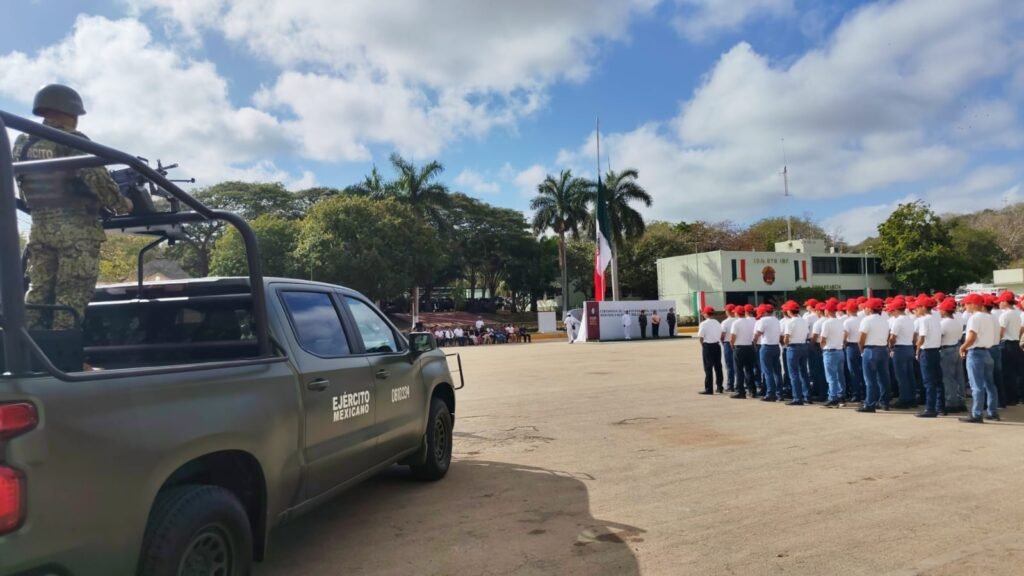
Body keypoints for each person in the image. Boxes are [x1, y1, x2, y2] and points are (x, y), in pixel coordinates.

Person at [13, 84, 134, 331]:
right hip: (76, 232)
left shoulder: (23, 143)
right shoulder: (72, 141)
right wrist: (124, 204)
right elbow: (98, 182)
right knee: (72, 295)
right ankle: (64, 358)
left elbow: (25, 186)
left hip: (40, 228)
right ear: (70, 111)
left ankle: (26, 354)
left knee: (37, 294)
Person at [960, 293, 998, 423]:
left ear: (974, 304)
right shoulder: (989, 317)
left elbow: (972, 337)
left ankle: (976, 414)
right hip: (987, 351)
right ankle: (992, 411)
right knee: (989, 384)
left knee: (976, 386)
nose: (965, 306)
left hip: (975, 352)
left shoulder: (974, 318)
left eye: (967, 303)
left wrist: (963, 347)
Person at [858, 298, 892, 413]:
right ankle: (884, 402)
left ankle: (870, 403)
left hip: (870, 349)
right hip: (883, 349)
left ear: (870, 308)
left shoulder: (866, 320)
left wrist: (862, 350)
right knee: (884, 377)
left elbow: (861, 338)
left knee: (870, 379)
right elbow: (888, 336)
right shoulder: (885, 321)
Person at [914, 297, 944, 417]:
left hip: (927, 351)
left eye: (917, 307)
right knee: (937, 380)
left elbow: (921, 337)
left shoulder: (924, 320)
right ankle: (940, 407)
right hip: (935, 350)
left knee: (928, 381)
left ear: (923, 308)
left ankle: (930, 408)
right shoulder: (935, 318)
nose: (916, 310)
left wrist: (917, 351)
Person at [887, 298, 917, 409]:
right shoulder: (909, 319)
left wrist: (891, 347)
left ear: (895, 310)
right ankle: (912, 398)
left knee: (901, 376)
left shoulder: (897, 321)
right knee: (910, 375)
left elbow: (892, 337)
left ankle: (904, 399)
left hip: (900, 349)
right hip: (909, 347)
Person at [938, 298, 966, 413]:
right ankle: (961, 401)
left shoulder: (943, 323)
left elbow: (940, 337)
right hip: (956, 347)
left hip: (946, 349)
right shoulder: (957, 322)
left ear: (944, 311)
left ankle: (951, 403)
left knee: (948, 378)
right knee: (959, 376)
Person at [782, 300, 810, 405]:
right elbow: (807, 334)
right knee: (804, 372)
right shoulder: (803, 320)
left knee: (793, 374)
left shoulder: (790, 322)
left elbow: (786, 338)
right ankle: (807, 395)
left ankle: (797, 397)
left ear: (789, 311)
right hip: (803, 346)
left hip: (793, 347)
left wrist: (786, 343)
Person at [819, 301, 847, 407]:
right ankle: (841, 396)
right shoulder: (840, 321)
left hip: (830, 351)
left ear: (828, 311)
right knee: (840, 376)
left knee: (831, 377)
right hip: (839, 350)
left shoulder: (827, 323)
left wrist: (823, 348)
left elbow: (822, 339)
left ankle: (833, 397)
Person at [997, 291, 1022, 406]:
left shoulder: (1005, 315)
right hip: (1015, 343)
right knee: (1015, 372)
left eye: (1001, 301)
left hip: (1006, 344)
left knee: (1006, 373)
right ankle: (1016, 397)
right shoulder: (1017, 313)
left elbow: (1000, 333)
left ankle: (1009, 398)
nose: (999, 304)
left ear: (1005, 302)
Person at [754, 303, 782, 402]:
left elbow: (758, 333)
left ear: (764, 312)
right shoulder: (776, 320)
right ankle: (779, 393)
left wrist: (754, 342)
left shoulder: (763, 320)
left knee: (767, 372)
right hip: (775, 346)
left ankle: (771, 393)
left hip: (766, 347)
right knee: (777, 371)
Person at [730, 305, 757, 399]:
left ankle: (740, 391)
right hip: (750, 347)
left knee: (739, 370)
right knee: (749, 370)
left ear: (737, 313)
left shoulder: (736, 323)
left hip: (740, 348)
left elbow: (732, 336)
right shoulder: (751, 322)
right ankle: (752, 390)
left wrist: (732, 345)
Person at [697, 307, 724, 394]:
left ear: (705, 314)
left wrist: (703, 346)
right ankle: (719, 387)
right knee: (718, 367)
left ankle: (709, 389)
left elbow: (701, 338)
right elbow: (720, 335)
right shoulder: (717, 322)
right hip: (717, 345)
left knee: (708, 368)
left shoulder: (704, 324)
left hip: (708, 346)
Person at [843, 300, 865, 403]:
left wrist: (844, 344)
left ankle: (856, 394)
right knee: (862, 370)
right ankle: (864, 392)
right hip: (862, 345)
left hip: (851, 346)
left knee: (853, 371)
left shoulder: (847, 321)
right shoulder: (862, 319)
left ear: (848, 310)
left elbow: (845, 336)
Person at [721, 304, 737, 392]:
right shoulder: (738, 320)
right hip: (738, 344)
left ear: (728, 311)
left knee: (729, 366)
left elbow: (722, 335)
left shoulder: (725, 322)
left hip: (728, 343)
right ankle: (739, 384)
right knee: (738, 366)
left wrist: (723, 343)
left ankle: (730, 385)